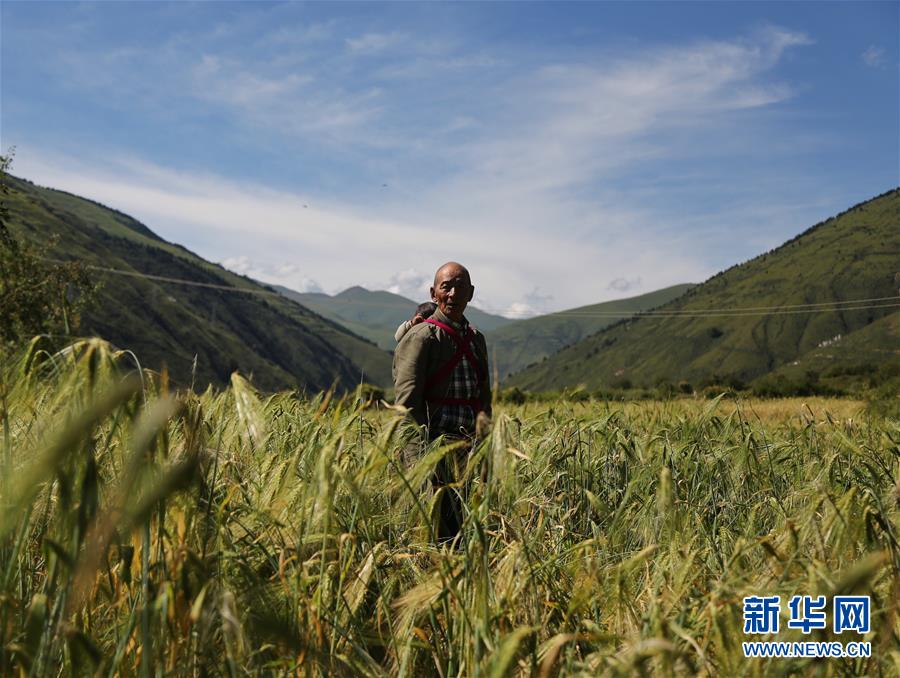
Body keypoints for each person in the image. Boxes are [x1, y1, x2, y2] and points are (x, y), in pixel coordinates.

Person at [392, 262, 492, 542]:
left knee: (462, 530)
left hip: (468, 452)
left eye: (460, 286)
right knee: (434, 532)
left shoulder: (476, 340)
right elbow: (407, 406)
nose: (452, 293)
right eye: (446, 286)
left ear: (471, 293)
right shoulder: (422, 337)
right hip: (432, 450)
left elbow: (484, 399)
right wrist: (418, 466)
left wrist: (486, 451)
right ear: (433, 292)